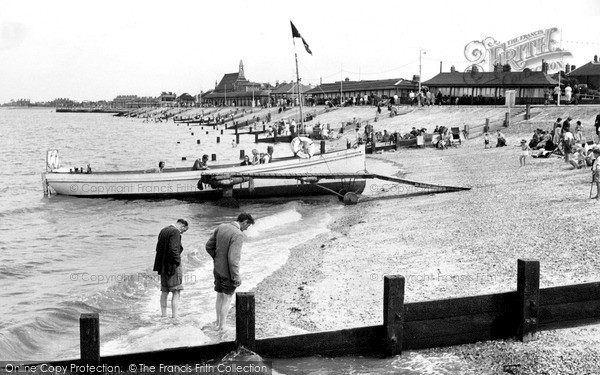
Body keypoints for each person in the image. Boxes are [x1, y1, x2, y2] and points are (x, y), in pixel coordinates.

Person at [205, 213, 255, 331]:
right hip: (227, 272)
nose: (247, 229)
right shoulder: (238, 234)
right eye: (248, 226)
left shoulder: (221, 227)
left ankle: (217, 323)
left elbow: (208, 246)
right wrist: (236, 276)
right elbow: (233, 259)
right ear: (245, 222)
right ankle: (222, 327)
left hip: (217, 269)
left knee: (219, 296)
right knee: (227, 299)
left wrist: (217, 259)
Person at [153, 219, 189, 318]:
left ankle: (163, 316)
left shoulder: (163, 230)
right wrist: (178, 261)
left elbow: (158, 248)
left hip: (162, 266)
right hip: (172, 266)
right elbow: (174, 249)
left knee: (164, 291)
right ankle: (175, 317)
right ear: (182, 226)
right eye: (184, 230)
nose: (182, 233)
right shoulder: (175, 231)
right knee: (176, 291)